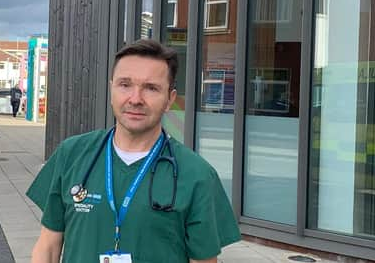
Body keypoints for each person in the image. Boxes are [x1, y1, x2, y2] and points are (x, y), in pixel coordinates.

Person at [27, 39, 240, 263]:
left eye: (151, 88)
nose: (136, 99)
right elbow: (48, 247)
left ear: (170, 100)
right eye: (125, 84)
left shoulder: (197, 175)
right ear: (111, 90)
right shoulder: (71, 154)